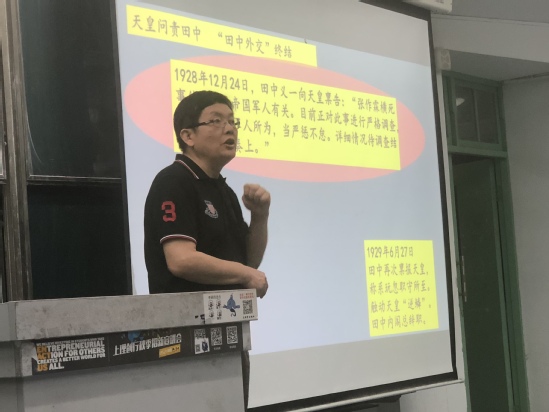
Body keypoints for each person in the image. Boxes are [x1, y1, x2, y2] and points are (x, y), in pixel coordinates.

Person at [144, 90, 269, 409]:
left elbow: (248, 262)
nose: (229, 129)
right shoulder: (173, 181)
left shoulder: (224, 191)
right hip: (184, 341)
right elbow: (181, 260)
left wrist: (260, 216)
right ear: (188, 136)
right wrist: (246, 274)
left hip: (228, 334)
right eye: (216, 121)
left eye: (232, 121)